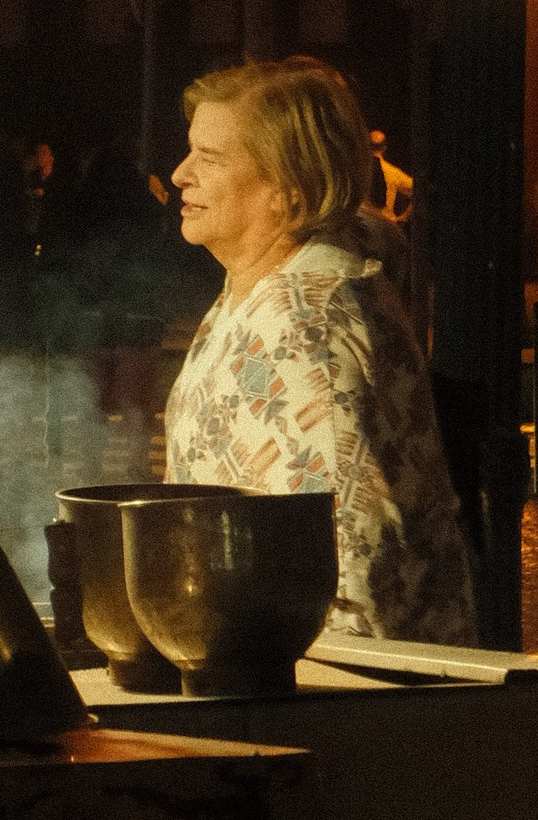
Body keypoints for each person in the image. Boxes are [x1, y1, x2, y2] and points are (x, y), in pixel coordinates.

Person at [163, 56, 478, 645]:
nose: (181, 174)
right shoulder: (259, 288)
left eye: (210, 158)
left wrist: (319, 692)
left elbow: (350, 563)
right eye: (189, 152)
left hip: (324, 682)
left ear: (287, 188)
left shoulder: (308, 324)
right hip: (257, 662)